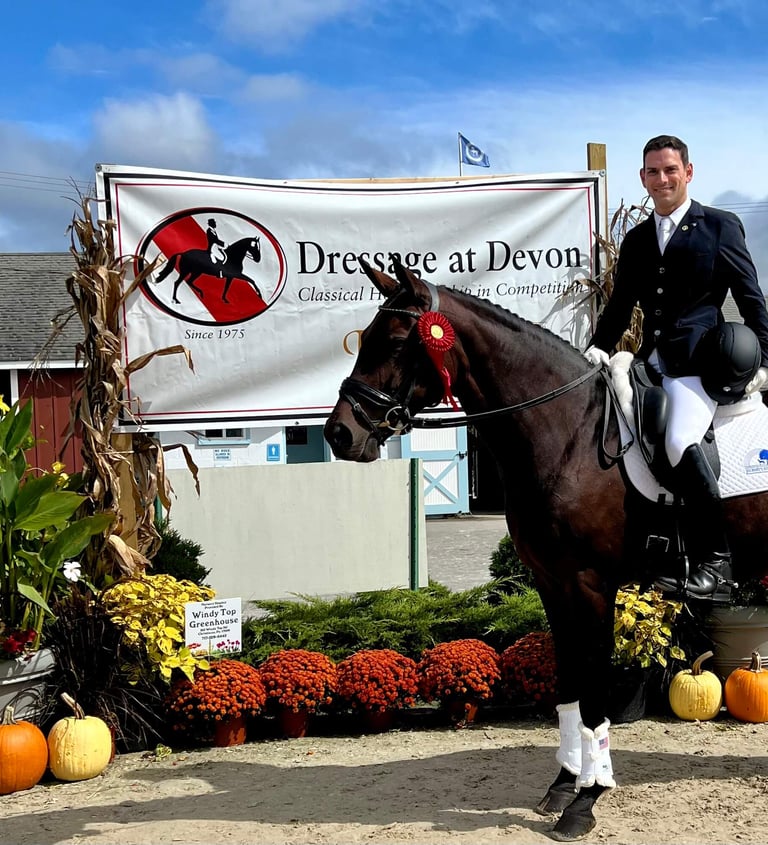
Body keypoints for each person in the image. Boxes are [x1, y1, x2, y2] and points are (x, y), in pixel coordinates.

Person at [585, 134, 768, 602]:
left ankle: (716, 562)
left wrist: (765, 361)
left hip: (698, 365)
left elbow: (750, 297)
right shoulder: (637, 239)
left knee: (678, 440)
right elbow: (620, 306)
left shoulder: (720, 226)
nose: (662, 179)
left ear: (688, 172)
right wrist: (598, 348)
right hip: (648, 362)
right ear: (642, 178)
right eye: (653, 171)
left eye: (670, 170)